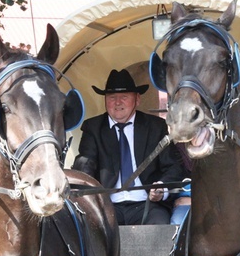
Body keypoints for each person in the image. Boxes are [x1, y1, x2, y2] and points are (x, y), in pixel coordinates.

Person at [72, 69, 188, 225]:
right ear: (105, 100)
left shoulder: (155, 126)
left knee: (160, 230)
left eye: (124, 97)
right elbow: (85, 166)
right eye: (112, 98)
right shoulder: (93, 128)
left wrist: (161, 188)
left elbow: (173, 166)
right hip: (107, 205)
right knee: (91, 231)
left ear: (137, 100)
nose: (118, 103)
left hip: (148, 204)